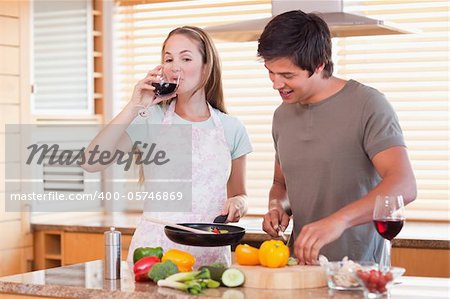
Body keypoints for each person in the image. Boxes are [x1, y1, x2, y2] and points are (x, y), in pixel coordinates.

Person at [83, 26, 252, 267]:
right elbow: (91, 162)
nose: (175, 67)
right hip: (155, 252)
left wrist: (238, 204)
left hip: (210, 255)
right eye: (168, 59)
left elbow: (240, 194)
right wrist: (134, 105)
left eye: (186, 58)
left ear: (206, 67)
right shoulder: (149, 118)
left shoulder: (231, 128)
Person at [257, 11, 416, 265]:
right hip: (300, 267)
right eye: (270, 72)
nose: (276, 84)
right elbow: (281, 183)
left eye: (287, 75)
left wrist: (339, 220)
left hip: (358, 270)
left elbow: (404, 184)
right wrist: (277, 207)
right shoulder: (282, 116)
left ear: (319, 64)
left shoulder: (368, 104)